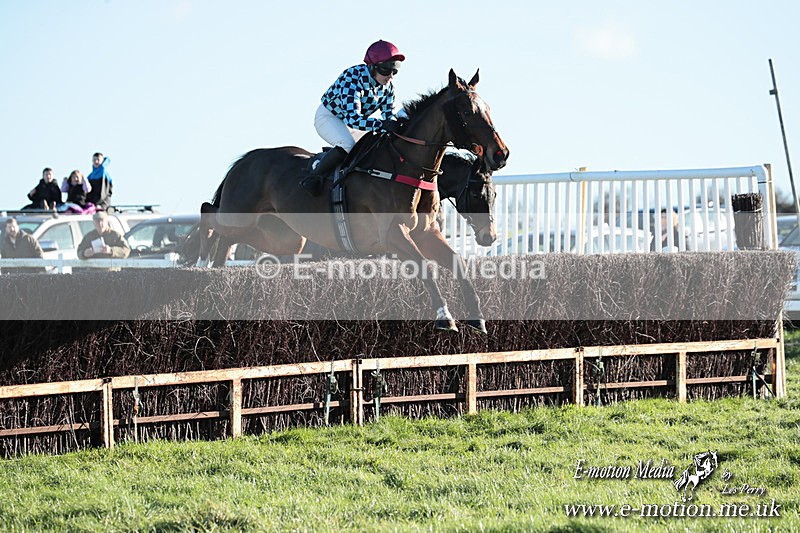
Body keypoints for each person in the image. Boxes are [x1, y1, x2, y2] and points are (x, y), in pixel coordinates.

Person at [302, 39, 406, 195]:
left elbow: (388, 117)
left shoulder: (388, 87)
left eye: (394, 71)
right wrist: (382, 125)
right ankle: (314, 176)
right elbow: (353, 119)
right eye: (385, 70)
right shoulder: (352, 78)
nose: (390, 76)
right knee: (347, 144)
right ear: (372, 67)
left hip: (354, 123)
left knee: (378, 145)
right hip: (329, 117)